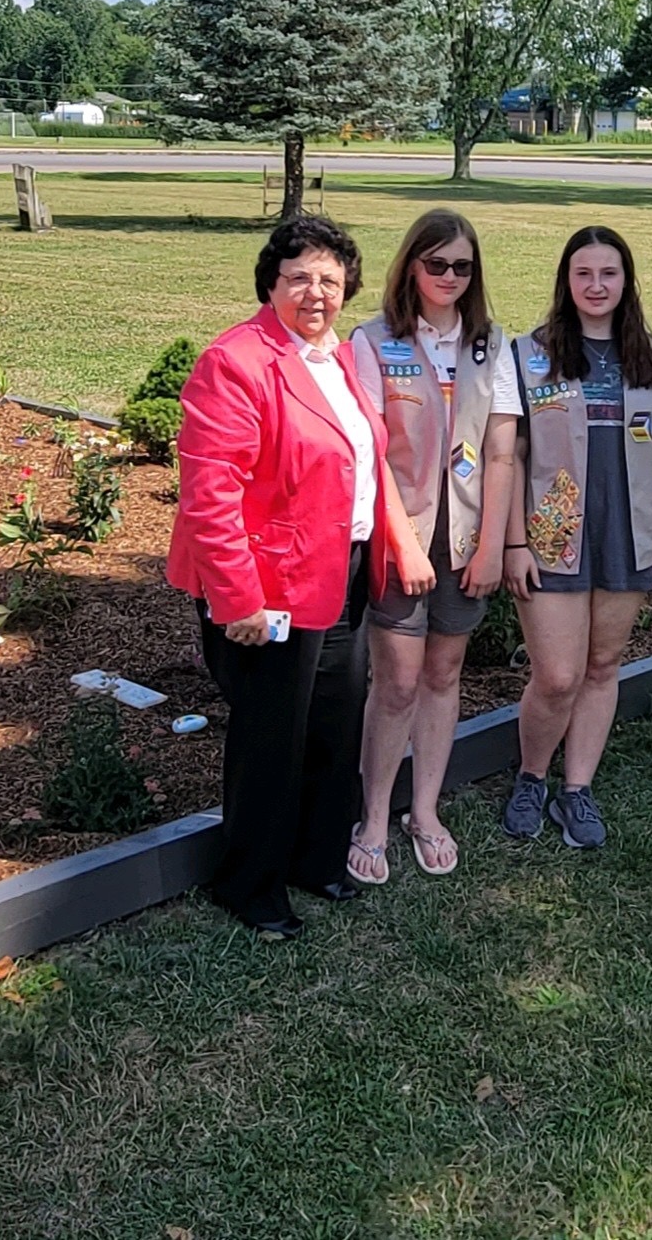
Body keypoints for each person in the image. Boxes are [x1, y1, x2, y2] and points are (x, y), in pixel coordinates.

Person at [168, 216, 435, 937]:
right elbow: (209, 491)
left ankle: (315, 860)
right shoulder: (236, 362)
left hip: (338, 573)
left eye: (327, 278)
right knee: (269, 738)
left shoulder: (338, 357)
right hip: (268, 585)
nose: (314, 291)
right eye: (298, 278)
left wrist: (399, 542)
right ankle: (248, 884)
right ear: (271, 284)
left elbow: (362, 460)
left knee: (331, 724)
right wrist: (237, 600)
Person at [347, 209, 521, 879]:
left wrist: (490, 548)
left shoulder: (490, 344)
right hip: (403, 540)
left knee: (444, 674)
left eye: (462, 266)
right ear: (410, 266)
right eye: (436, 263)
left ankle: (424, 811)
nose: (448, 276)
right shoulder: (372, 341)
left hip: (466, 538)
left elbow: (501, 452)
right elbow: (371, 457)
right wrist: (405, 545)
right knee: (394, 683)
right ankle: (371, 816)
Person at [502, 227, 652, 847]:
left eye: (609, 274)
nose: (597, 286)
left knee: (603, 665)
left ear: (626, 281)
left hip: (627, 533)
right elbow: (514, 453)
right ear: (566, 280)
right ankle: (532, 775)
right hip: (551, 532)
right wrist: (513, 544)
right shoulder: (530, 354)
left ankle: (576, 788)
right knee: (557, 675)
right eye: (584, 274)